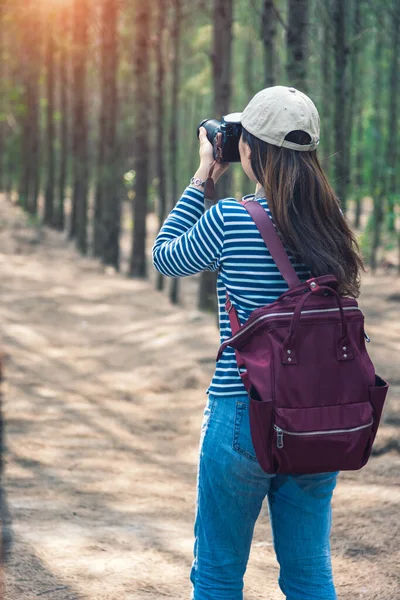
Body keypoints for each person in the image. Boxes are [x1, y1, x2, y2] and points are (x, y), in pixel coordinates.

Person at [152, 86, 363, 600]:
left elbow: (165, 257)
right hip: (318, 417)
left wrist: (204, 175)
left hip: (242, 412)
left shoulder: (233, 218)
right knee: (309, 574)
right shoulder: (331, 224)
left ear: (250, 149)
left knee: (220, 573)